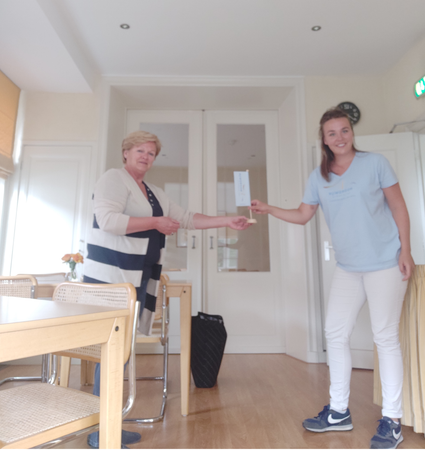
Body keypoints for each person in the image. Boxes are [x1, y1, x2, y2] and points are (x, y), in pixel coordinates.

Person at [250, 107, 414, 450]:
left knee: (385, 338)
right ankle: (338, 411)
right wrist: (268, 209)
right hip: (348, 268)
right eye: (332, 133)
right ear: (324, 140)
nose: (340, 137)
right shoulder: (319, 177)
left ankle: (392, 420)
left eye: (344, 130)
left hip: (385, 263)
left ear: (352, 132)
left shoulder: (376, 164)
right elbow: (303, 215)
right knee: (335, 334)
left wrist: (406, 251)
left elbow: (399, 207)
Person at [83, 130, 250, 448]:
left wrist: (227, 221)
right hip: (110, 281)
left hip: (136, 280)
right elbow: (108, 221)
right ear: (126, 152)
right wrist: (156, 223)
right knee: (111, 354)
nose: (146, 157)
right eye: (140, 151)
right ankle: (101, 433)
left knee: (119, 355)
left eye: (151, 153)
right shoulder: (113, 179)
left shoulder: (153, 193)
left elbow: (186, 218)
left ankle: (108, 427)